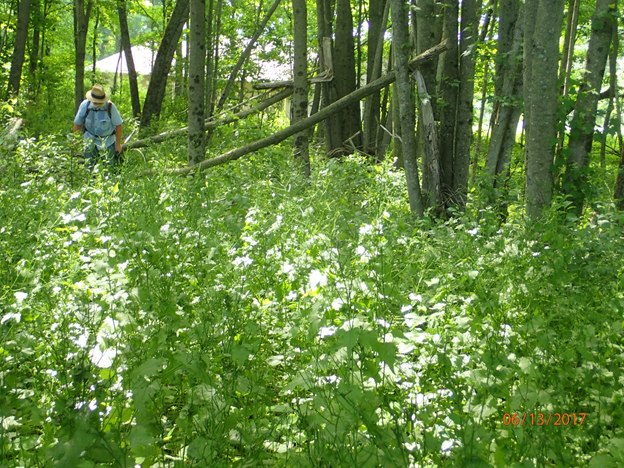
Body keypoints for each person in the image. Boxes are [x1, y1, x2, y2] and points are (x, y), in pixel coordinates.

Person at [73, 84, 123, 169]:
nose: (98, 104)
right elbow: (78, 124)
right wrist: (76, 141)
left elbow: (118, 125)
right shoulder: (85, 105)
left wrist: (118, 144)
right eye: (96, 102)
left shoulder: (111, 107)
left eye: (100, 102)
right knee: (88, 168)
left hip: (108, 141)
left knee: (108, 168)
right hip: (89, 140)